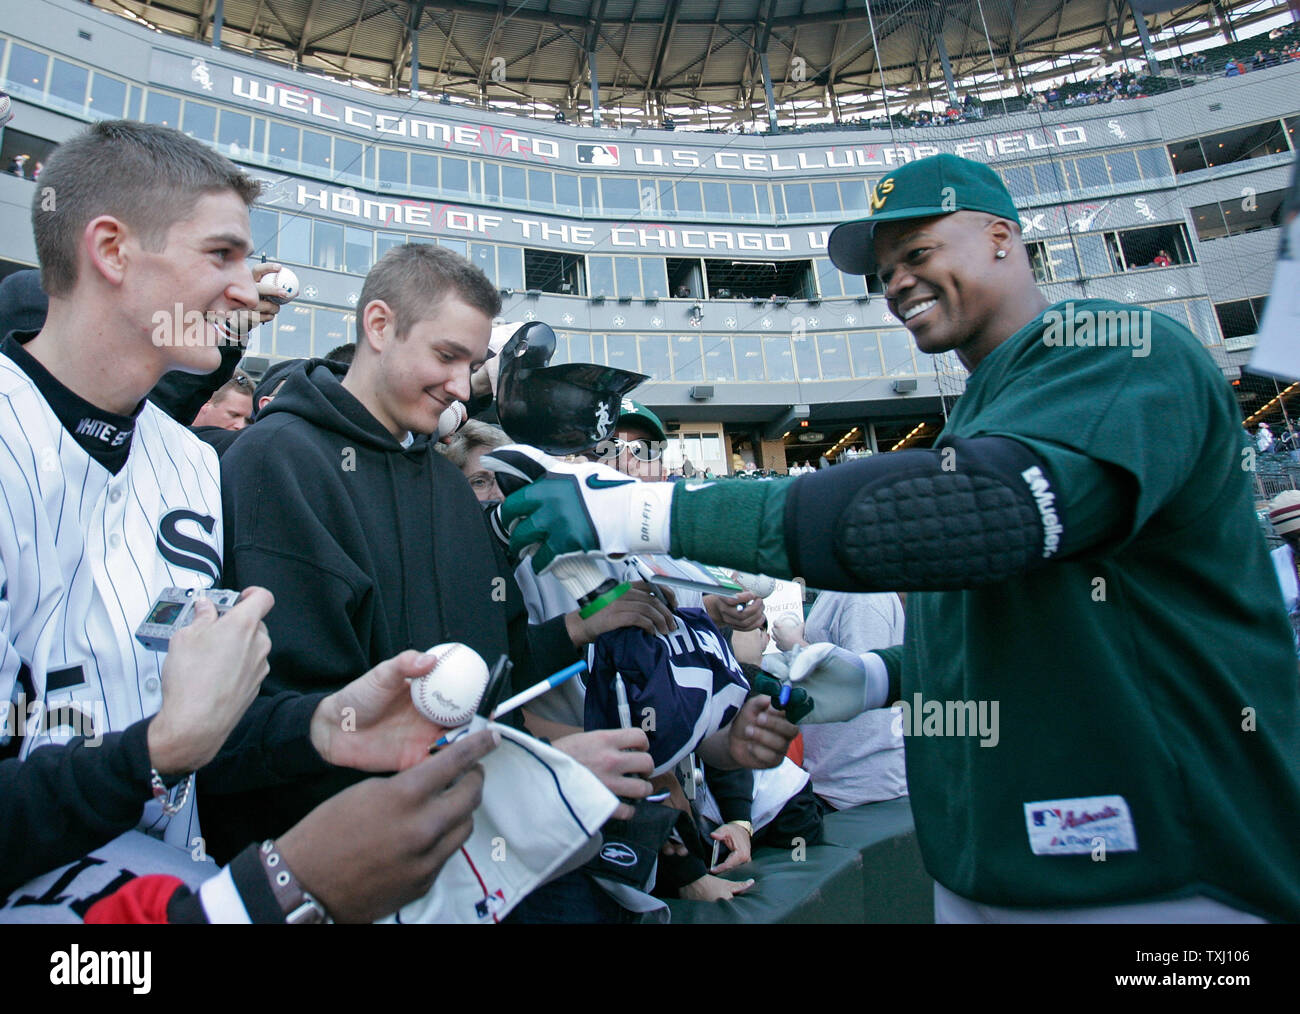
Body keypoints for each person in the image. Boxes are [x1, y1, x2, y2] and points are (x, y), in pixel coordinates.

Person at [496, 152, 1300, 923]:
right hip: (996, 865)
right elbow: (1052, 632)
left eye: (915, 252)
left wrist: (644, 512)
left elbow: (971, 515)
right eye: (883, 273)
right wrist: (886, 678)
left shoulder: (1112, 349)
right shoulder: (990, 403)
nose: (897, 284)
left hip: (1163, 866)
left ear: (1001, 237)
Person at [1, 120, 495, 923]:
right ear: (113, 250)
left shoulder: (193, 462)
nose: (248, 289)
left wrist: (323, 727)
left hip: (181, 888)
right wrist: (157, 755)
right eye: (221, 255)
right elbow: (166, 742)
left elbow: (209, 727)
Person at [207, 244, 657, 922]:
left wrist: (581, 629)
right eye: (446, 357)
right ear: (380, 326)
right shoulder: (276, 462)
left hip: (480, 868)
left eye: (472, 365)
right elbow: (279, 727)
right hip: (343, 887)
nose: (460, 384)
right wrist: (544, 776)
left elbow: (489, 676)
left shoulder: (450, 487)